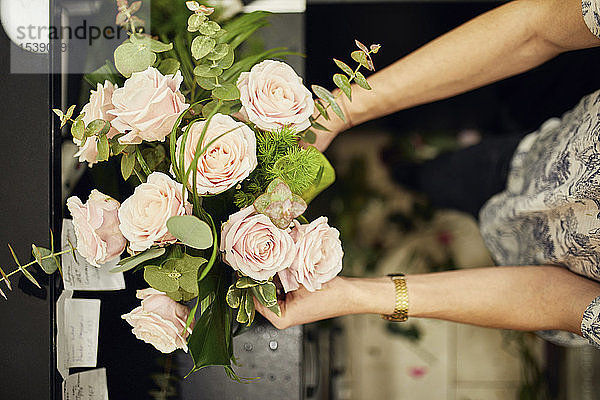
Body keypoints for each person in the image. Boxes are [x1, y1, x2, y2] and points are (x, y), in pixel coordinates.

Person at [254, 0, 600, 348]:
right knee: (441, 178)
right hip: (532, 158)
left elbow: (558, 301)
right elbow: (536, 31)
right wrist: (340, 109)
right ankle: (412, 177)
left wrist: (357, 295)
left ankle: (415, 178)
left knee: (443, 179)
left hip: (544, 282)